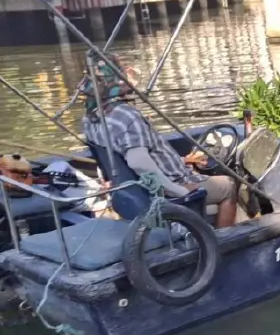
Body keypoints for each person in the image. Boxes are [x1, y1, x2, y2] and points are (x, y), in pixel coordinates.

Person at [79, 51, 242, 228]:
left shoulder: (90, 120)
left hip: (136, 191)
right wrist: (179, 191)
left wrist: (184, 160)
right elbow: (139, 163)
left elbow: (128, 157)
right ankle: (224, 238)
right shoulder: (127, 115)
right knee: (230, 185)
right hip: (169, 189)